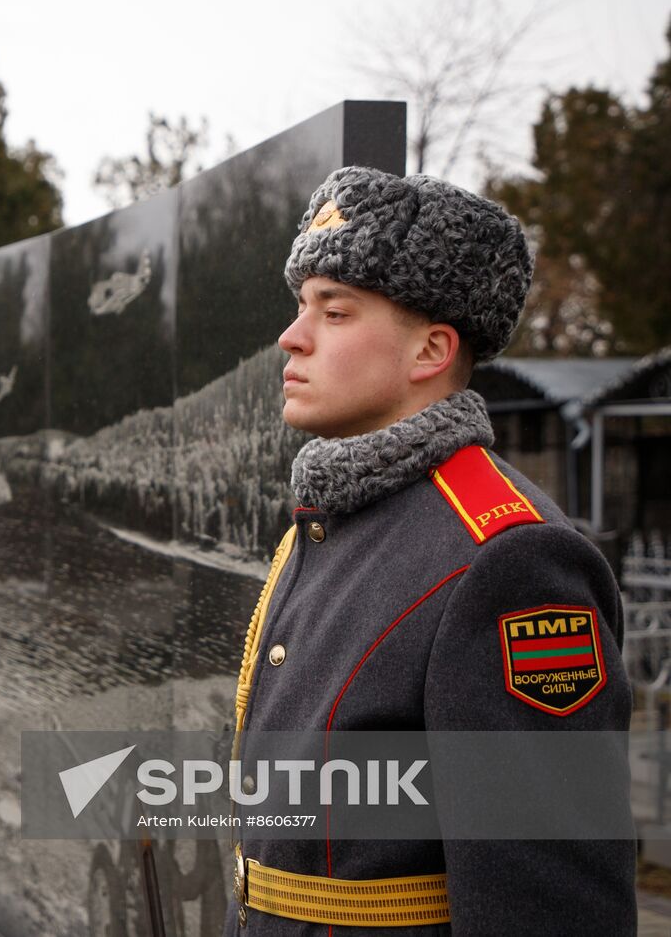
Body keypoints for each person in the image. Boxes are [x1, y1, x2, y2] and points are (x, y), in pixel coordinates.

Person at [226, 167, 633, 934]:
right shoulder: (327, 520)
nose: (292, 335)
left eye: (334, 311)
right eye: (300, 306)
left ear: (431, 351)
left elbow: (549, 904)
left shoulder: (508, 561)